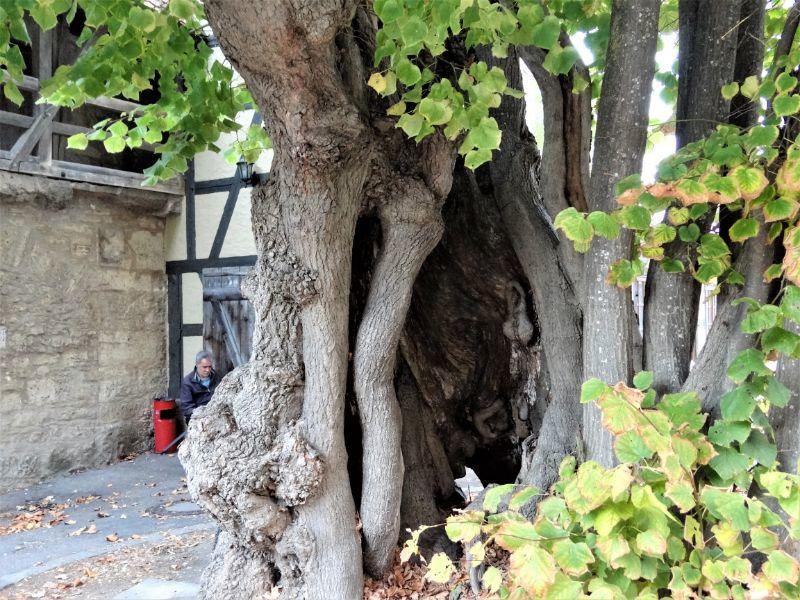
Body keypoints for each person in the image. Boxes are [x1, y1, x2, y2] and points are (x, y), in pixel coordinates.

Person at [178, 350, 220, 423]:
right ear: (197, 364)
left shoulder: (216, 377)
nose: (208, 370)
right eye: (204, 367)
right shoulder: (187, 382)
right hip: (197, 418)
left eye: (210, 367)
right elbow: (186, 408)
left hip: (215, 414)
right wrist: (202, 414)